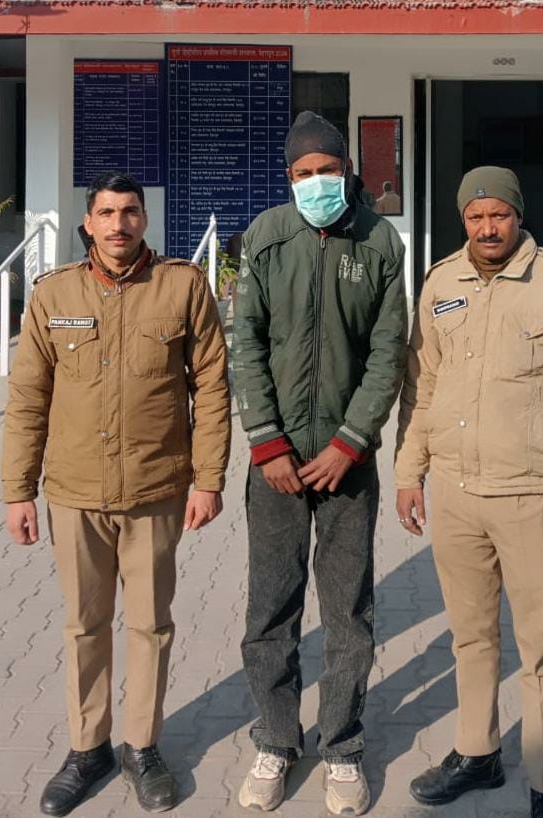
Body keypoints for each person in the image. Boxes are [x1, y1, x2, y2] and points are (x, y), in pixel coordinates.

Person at [2, 170, 231, 816]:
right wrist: (18, 490)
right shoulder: (54, 294)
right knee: (85, 625)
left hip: (156, 490)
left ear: (144, 220)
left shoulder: (182, 287)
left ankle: (142, 747)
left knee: (151, 625)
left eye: (129, 212)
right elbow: (28, 398)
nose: (118, 224)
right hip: (74, 494)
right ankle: (87, 748)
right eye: (106, 213)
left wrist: (209, 479)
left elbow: (213, 387)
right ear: (88, 223)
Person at [395, 166, 543, 818]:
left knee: (539, 647)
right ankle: (478, 752)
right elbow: (421, 386)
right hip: (456, 493)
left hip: (532, 496)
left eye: (499, 215)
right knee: (471, 636)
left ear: (518, 215)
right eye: (475, 216)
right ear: (462, 219)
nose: (487, 228)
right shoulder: (441, 283)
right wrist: (409, 472)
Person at [232, 111, 407, 816]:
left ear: (347, 170)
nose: (316, 183)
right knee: (271, 608)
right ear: (289, 178)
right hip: (274, 464)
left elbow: (388, 352)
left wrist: (350, 442)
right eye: (303, 174)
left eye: (326, 170)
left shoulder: (380, 241)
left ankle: (342, 747)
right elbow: (246, 342)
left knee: (347, 612)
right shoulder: (266, 237)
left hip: (347, 465)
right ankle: (276, 740)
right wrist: (267, 442)